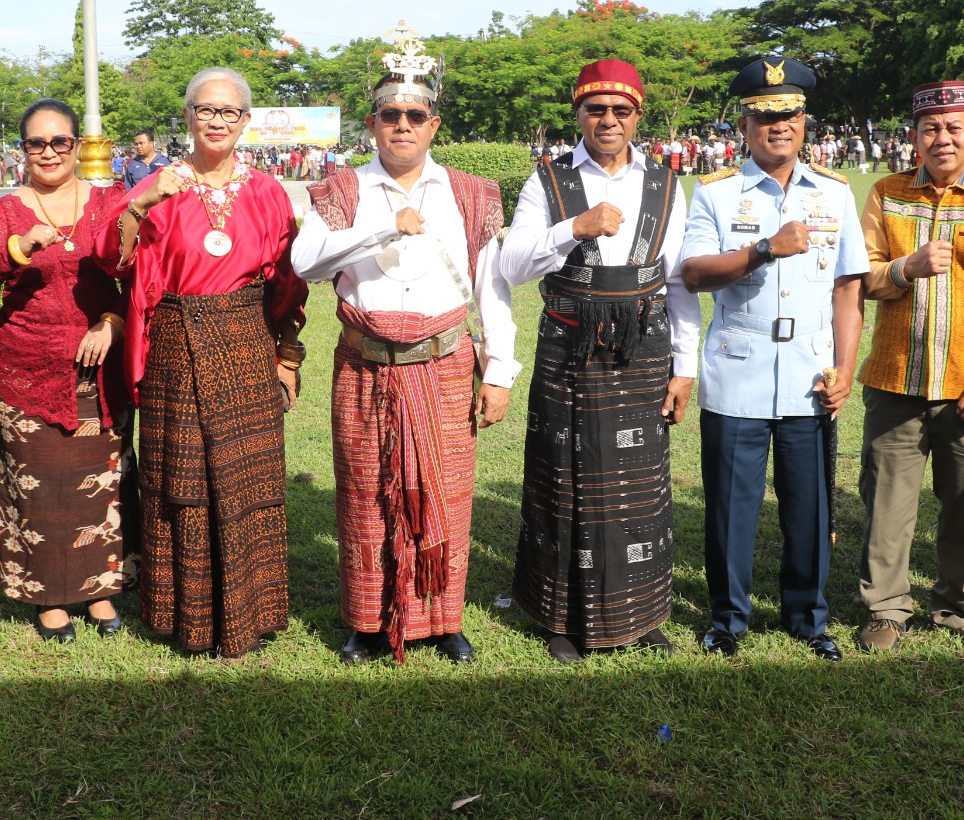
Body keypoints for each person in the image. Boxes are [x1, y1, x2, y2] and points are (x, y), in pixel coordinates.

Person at [292, 49, 518, 665]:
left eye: (415, 115)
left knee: (444, 493)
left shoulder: (471, 194)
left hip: (445, 364)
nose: (402, 125)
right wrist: (385, 227)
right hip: (366, 365)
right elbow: (306, 263)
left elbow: (490, 286)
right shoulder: (340, 190)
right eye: (389, 114)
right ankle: (367, 623)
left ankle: (443, 620)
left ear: (434, 124)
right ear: (371, 124)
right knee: (365, 494)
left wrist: (498, 372)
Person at [95, 67, 307, 658]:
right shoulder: (156, 185)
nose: (217, 121)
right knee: (182, 480)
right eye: (205, 110)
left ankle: (252, 610)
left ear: (245, 121)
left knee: (245, 477)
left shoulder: (267, 191)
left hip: (245, 340)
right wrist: (140, 207)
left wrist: (287, 353)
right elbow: (110, 262)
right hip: (174, 342)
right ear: (187, 116)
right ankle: (183, 615)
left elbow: (286, 283)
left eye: (230, 112)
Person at [498, 59, 702, 664]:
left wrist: (684, 365)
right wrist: (573, 228)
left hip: (643, 344)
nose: (607, 120)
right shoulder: (548, 181)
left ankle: (640, 615)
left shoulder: (665, 183)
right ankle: (562, 618)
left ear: (637, 115)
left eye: (620, 110)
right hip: (569, 343)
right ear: (579, 114)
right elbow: (512, 266)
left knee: (640, 484)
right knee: (566, 478)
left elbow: (680, 283)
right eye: (595, 109)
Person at [678, 56, 868, 662]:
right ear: (744, 123)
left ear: (805, 121)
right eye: (764, 116)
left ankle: (808, 617)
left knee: (809, 505)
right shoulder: (714, 193)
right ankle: (728, 620)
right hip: (739, 369)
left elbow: (847, 291)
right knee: (730, 507)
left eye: (788, 114)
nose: (777, 126)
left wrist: (847, 370)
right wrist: (763, 249)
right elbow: (694, 273)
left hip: (813, 372)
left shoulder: (836, 195)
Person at [855, 79, 964, 653]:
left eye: (954, 127)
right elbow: (862, 278)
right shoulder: (886, 193)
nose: (942, 138)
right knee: (887, 503)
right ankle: (886, 608)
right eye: (930, 128)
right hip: (896, 381)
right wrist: (904, 267)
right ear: (913, 137)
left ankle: (959, 610)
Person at [0, 99, 134, 643]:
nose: (50, 152)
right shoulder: (4, 210)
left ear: (78, 146)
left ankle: (102, 589)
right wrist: (16, 249)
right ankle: (50, 599)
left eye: (61, 141)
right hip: (25, 373)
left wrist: (111, 321)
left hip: (100, 372)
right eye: (37, 143)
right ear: (23, 150)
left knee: (102, 482)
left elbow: (141, 279)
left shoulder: (111, 204)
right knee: (38, 489)